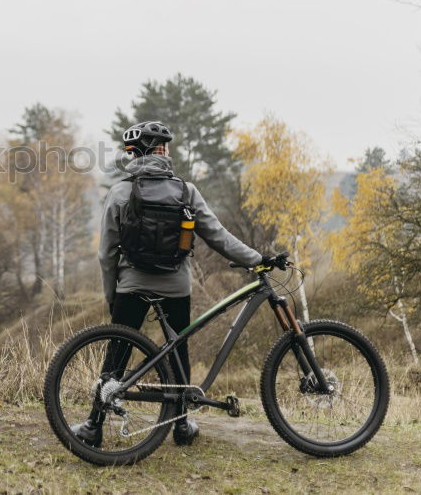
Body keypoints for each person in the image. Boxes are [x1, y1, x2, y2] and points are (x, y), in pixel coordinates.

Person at [72, 120, 271, 448]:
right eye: (164, 147)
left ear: (134, 153)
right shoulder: (185, 191)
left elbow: (106, 255)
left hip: (132, 285)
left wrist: (113, 297)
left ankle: (94, 425)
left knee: (118, 350)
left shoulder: (121, 192)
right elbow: (217, 236)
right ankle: (180, 425)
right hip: (176, 286)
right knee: (178, 350)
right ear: (161, 151)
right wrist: (256, 258)